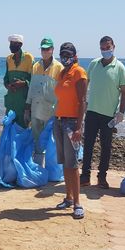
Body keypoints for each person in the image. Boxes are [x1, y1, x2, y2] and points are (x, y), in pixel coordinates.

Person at [81, 36, 125, 188]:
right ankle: (85, 176)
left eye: (108, 47)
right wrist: (83, 102)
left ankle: (102, 177)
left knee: (106, 147)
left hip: (108, 115)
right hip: (92, 112)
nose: (105, 50)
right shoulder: (94, 64)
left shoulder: (119, 67)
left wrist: (121, 113)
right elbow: (85, 83)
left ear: (114, 46)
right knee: (88, 144)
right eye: (102, 48)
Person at [53, 42, 88, 219]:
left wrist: (79, 127)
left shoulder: (79, 73)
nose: (65, 57)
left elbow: (83, 102)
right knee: (64, 162)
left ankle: (77, 203)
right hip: (58, 121)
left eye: (68, 54)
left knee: (72, 164)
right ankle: (68, 197)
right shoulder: (62, 73)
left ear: (74, 55)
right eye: (62, 54)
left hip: (71, 123)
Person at [24, 37, 63, 167]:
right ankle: (38, 167)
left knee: (50, 140)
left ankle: (51, 168)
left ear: (52, 50)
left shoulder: (59, 68)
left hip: (51, 111)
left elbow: (62, 92)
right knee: (37, 139)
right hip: (36, 109)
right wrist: (27, 107)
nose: (45, 51)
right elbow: (31, 88)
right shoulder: (35, 66)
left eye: (47, 49)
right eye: (43, 49)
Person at [4, 34, 34, 128]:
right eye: (10, 43)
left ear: (20, 45)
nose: (11, 46)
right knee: (8, 126)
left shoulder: (29, 58)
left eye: (14, 43)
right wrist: (8, 85)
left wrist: (24, 83)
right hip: (11, 101)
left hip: (23, 101)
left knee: (22, 128)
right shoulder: (8, 59)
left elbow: (33, 79)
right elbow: (6, 78)